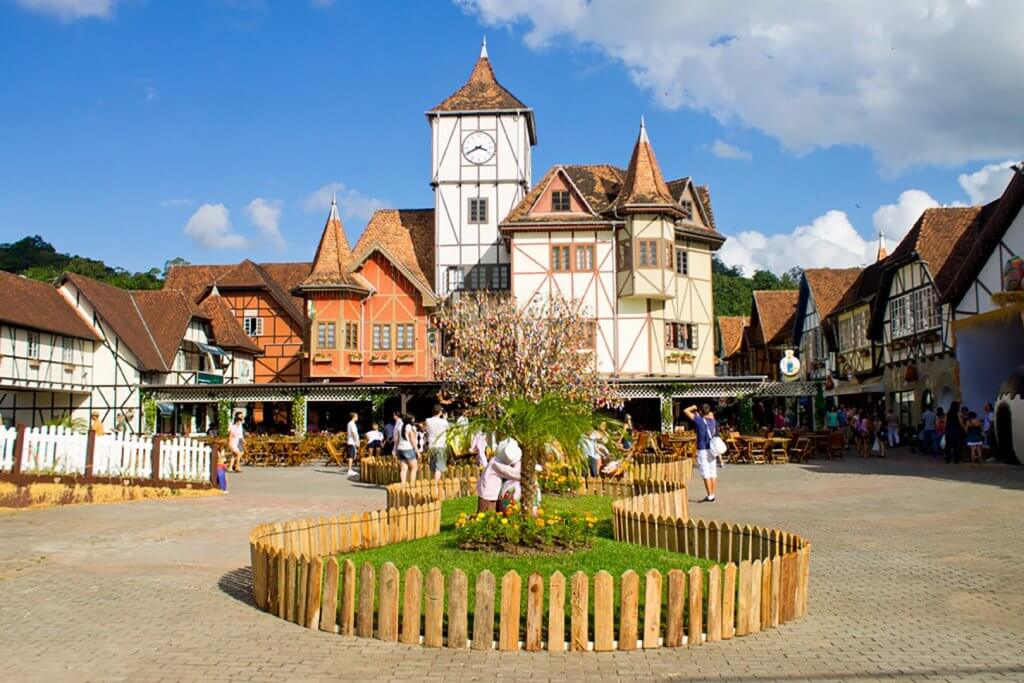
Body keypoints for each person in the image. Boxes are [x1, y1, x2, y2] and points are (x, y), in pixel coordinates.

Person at [476, 437, 521, 513]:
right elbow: (510, 473)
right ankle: (468, 521)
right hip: (488, 494)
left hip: (490, 492)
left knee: (487, 512)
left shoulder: (496, 460)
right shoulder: (496, 464)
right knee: (485, 513)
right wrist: (526, 475)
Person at [684, 403, 718, 503]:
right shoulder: (713, 421)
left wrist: (693, 407)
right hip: (712, 449)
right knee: (713, 472)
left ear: (700, 411)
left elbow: (686, 411)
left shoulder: (699, 420)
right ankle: (712, 494)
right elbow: (710, 414)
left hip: (703, 449)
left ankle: (710, 495)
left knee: (705, 472)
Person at [425, 405, 450, 481]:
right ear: (440, 412)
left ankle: (433, 484)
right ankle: (435, 486)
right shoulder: (444, 421)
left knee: (433, 467)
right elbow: (448, 430)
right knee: (439, 468)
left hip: (431, 446)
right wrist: (445, 419)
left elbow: (427, 430)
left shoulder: (428, 420)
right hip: (441, 445)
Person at [396, 415, 419, 483]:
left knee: (403, 469)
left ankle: (403, 484)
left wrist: (395, 450)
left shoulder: (399, 427)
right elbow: (412, 440)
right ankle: (411, 484)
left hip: (400, 448)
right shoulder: (409, 427)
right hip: (408, 448)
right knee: (414, 468)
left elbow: (397, 440)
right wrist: (417, 451)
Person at [345, 412, 360, 477]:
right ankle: (350, 470)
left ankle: (350, 469)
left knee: (351, 455)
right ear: (354, 417)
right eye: (357, 416)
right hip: (352, 442)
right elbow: (354, 433)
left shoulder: (350, 423)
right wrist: (357, 442)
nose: (357, 417)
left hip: (350, 441)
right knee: (351, 456)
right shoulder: (352, 424)